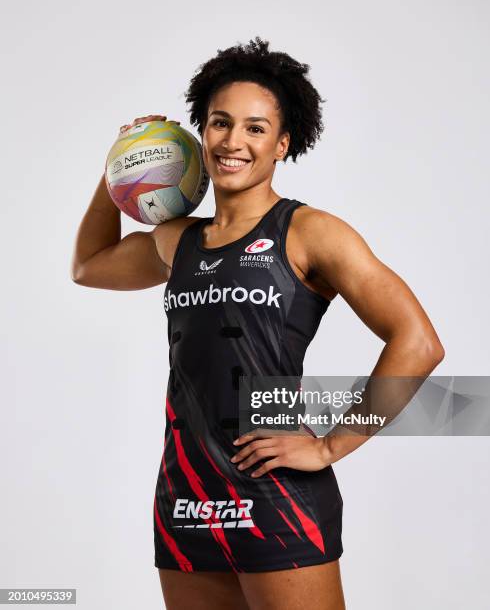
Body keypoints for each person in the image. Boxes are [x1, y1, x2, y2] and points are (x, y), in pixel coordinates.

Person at [71, 37, 445, 610]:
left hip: (276, 496)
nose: (234, 141)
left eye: (255, 128)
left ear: (282, 143)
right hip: (187, 493)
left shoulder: (312, 232)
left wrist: (331, 446)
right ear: (201, 135)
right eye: (221, 124)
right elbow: (88, 267)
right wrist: (120, 165)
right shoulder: (177, 241)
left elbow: (418, 343)